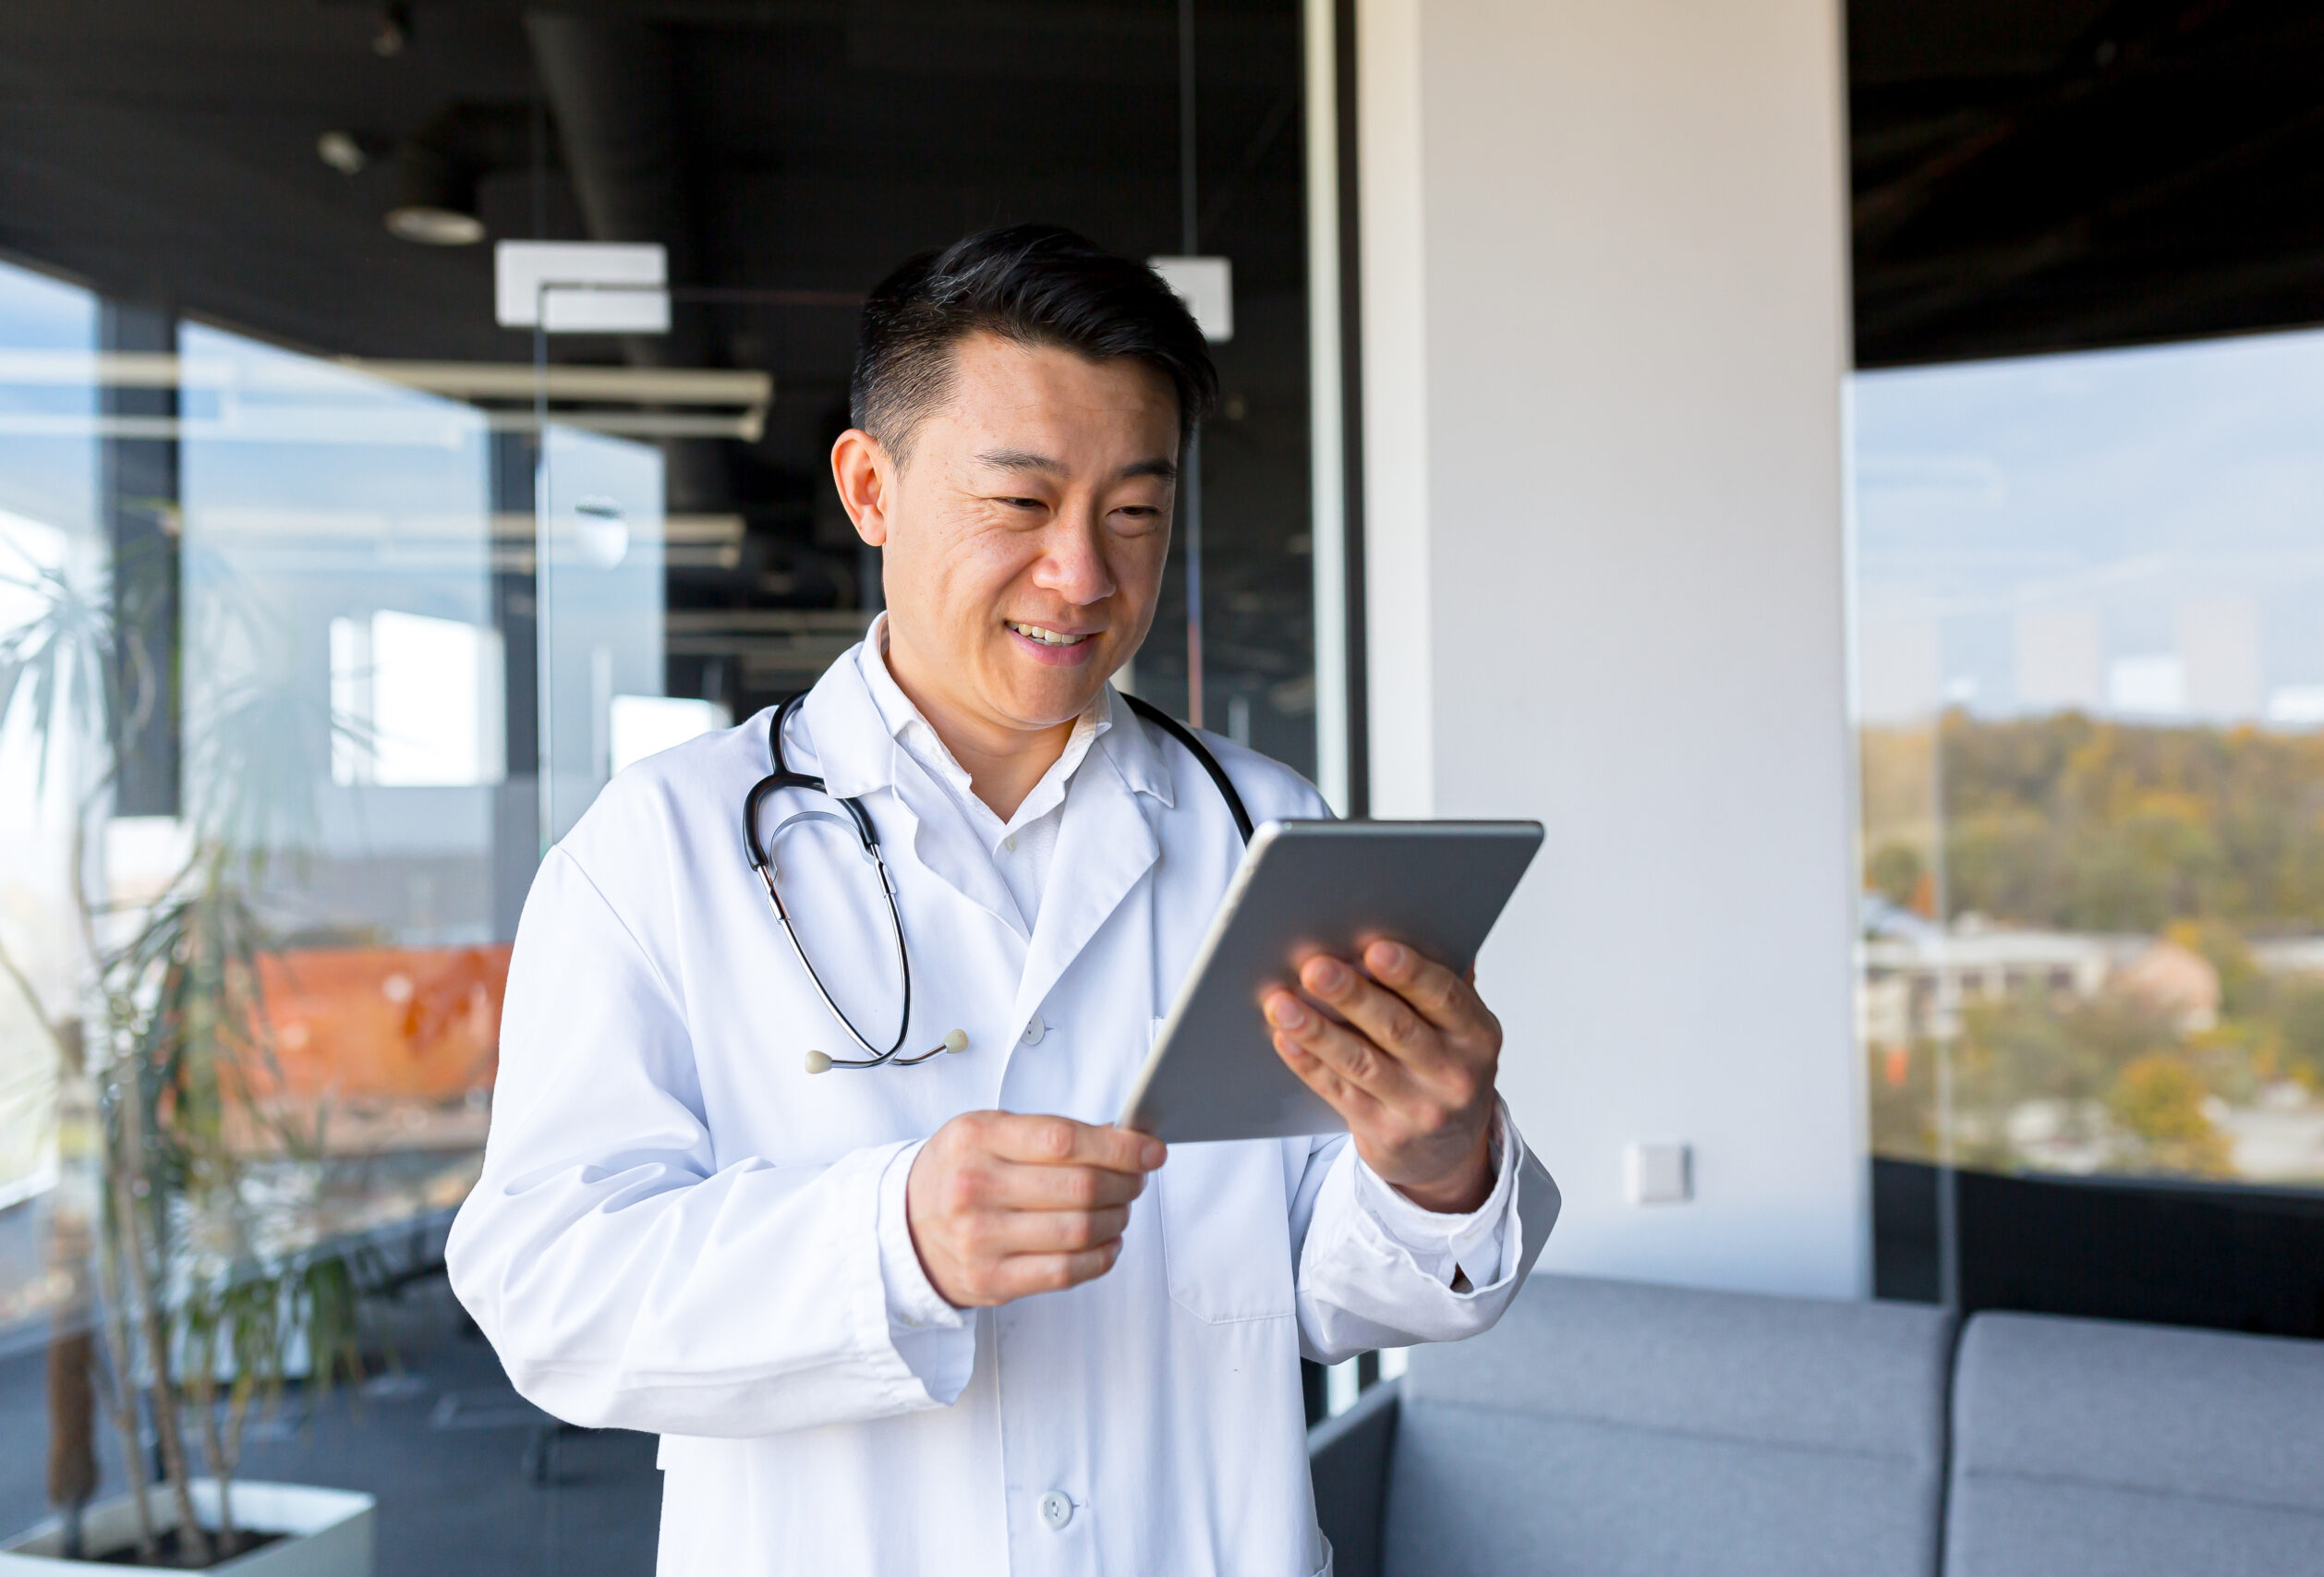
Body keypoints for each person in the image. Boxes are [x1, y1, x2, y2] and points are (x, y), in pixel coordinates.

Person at [445, 224, 1557, 1577]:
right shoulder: (662, 849)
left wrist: (1435, 1169)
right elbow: (549, 1292)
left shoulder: (1266, 831)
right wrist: (891, 1239)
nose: (1084, 574)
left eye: (1134, 512)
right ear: (871, 487)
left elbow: (1315, 1293)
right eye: (1021, 505)